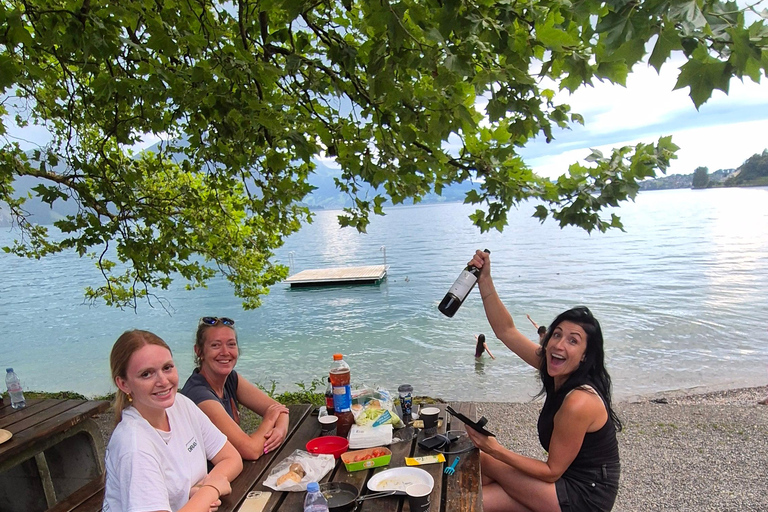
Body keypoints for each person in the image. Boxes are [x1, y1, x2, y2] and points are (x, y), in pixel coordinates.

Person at [463, 250, 622, 512]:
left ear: (585, 357)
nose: (559, 344)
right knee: (476, 498)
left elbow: (550, 471)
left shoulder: (580, 401)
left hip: (585, 497)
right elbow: (506, 331)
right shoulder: (555, 368)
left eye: (573, 340)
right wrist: (485, 279)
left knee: (487, 461)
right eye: (557, 334)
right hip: (562, 483)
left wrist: (495, 449)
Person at [104, 330, 242, 512]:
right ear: (124, 384)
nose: (163, 381)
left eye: (167, 367)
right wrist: (210, 490)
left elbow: (231, 457)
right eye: (146, 374)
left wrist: (200, 492)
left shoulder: (180, 404)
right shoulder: (134, 444)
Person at [181, 316, 290, 460]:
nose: (225, 352)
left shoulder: (230, 379)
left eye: (231, 344)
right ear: (199, 351)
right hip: (210, 478)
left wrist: (280, 430)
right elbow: (250, 450)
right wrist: (269, 421)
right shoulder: (199, 395)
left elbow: (280, 409)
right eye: (215, 345)